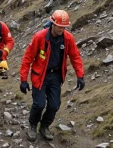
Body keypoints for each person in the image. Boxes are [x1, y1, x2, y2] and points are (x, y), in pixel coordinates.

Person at [19, 10, 85, 141]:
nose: (62, 29)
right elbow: (27, 58)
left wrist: (80, 76)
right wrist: (23, 80)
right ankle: (33, 125)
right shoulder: (40, 37)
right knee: (39, 104)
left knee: (54, 105)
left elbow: (75, 56)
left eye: (64, 27)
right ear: (52, 24)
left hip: (55, 76)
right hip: (40, 76)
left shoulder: (68, 38)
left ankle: (44, 126)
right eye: (59, 26)